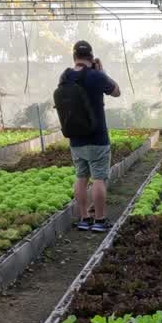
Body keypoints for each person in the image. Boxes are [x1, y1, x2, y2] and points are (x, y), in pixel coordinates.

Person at [61, 40, 122, 232]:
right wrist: (102, 71)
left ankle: (84, 218)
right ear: (91, 56)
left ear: (74, 57)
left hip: (75, 138)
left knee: (81, 177)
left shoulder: (65, 76)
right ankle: (100, 220)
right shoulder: (96, 76)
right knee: (98, 179)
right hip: (97, 137)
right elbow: (117, 92)